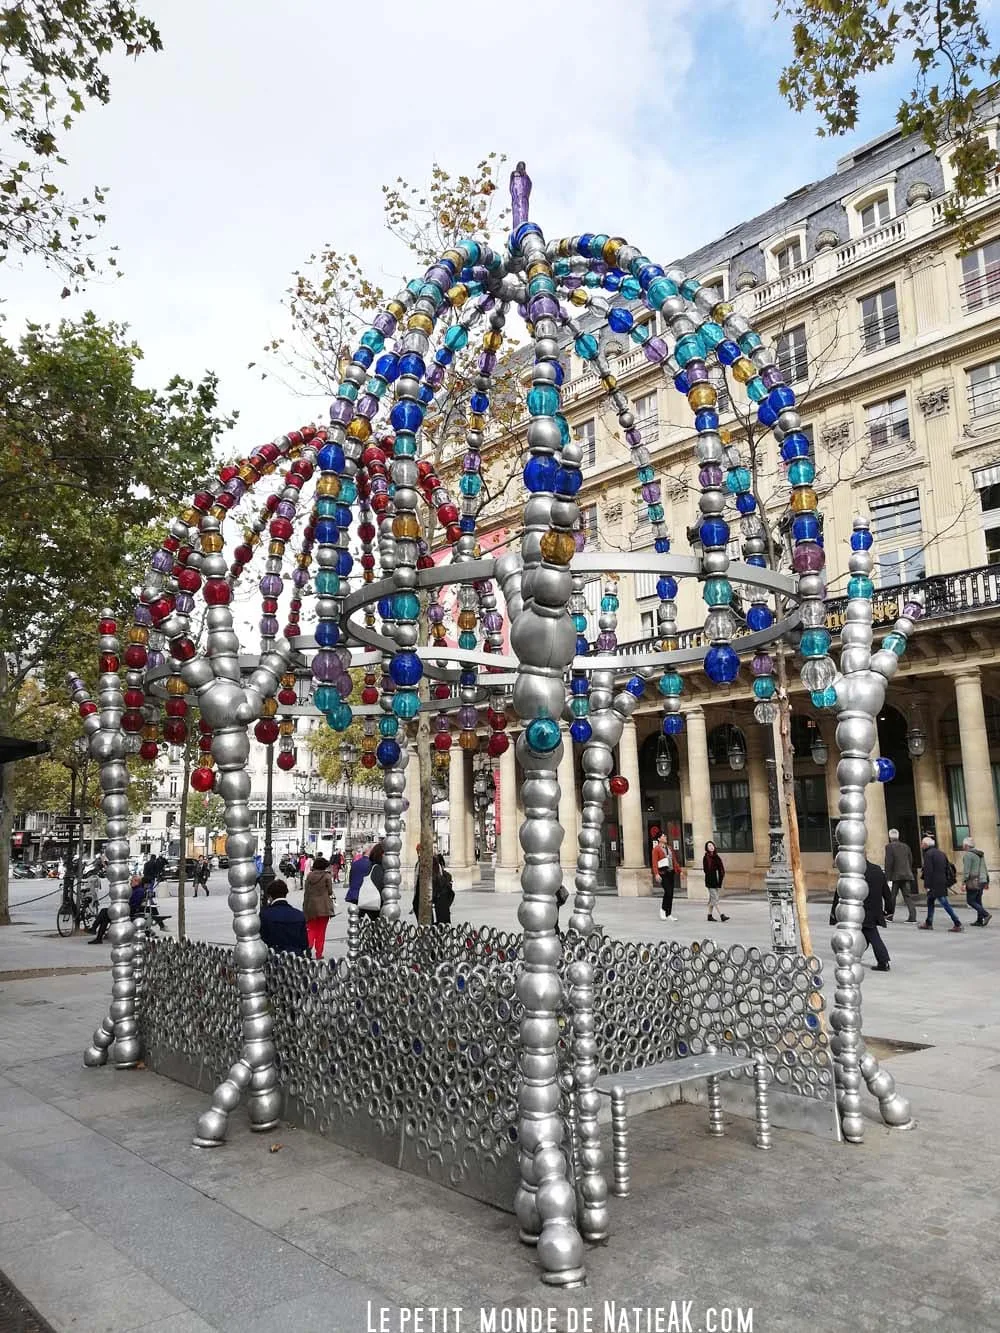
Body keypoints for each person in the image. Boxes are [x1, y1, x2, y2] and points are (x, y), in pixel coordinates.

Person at [919, 835, 964, 931]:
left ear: (926, 845)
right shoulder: (941, 853)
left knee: (944, 903)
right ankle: (928, 922)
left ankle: (957, 922)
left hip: (934, 883)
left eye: (922, 843)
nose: (921, 845)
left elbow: (928, 871)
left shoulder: (928, 854)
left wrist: (927, 885)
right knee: (930, 901)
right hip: (942, 881)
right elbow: (947, 867)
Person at [259, 879, 308, 954]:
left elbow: (263, 940)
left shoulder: (265, 915)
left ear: (270, 897)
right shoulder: (299, 915)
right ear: (285, 894)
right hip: (295, 957)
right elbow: (304, 944)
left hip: (274, 957)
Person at [302, 854, 335, 958]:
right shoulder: (327, 876)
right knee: (321, 931)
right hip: (324, 907)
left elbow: (306, 891)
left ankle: (309, 945)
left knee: (311, 929)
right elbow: (330, 891)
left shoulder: (309, 876)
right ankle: (319, 953)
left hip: (311, 906)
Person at [862, 860, 892, 971]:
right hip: (875, 909)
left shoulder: (855, 871)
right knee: (865, 936)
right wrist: (889, 910)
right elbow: (886, 891)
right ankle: (854, 956)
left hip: (861, 911)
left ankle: (883, 961)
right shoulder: (877, 869)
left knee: (873, 936)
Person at [883, 830, 917, 922]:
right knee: (907, 896)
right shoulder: (906, 846)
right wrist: (907, 870)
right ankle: (912, 917)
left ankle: (890, 916)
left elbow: (889, 862)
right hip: (906, 874)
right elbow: (910, 859)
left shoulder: (889, 847)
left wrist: (887, 877)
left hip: (895, 876)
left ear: (890, 837)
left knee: (892, 896)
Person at [348, 843, 385, 922]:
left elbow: (351, 879)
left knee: (356, 921)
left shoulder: (355, 863)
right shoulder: (372, 865)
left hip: (356, 895)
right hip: (371, 897)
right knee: (376, 920)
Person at [961, 836, 993, 927]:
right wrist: (987, 881)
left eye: (963, 845)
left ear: (966, 845)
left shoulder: (968, 855)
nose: (963, 846)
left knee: (970, 900)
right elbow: (984, 868)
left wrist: (963, 883)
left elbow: (966, 871)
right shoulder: (980, 854)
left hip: (973, 881)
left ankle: (986, 915)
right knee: (978, 900)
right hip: (982, 880)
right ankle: (979, 920)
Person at [703, 841, 729, 923]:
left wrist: (720, 877)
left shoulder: (717, 857)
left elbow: (721, 868)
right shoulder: (706, 857)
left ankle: (709, 915)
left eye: (712, 845)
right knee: (715, 898)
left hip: (716, 880)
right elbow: (706, 870)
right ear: (707, 848)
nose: (711, 847)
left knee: (712, 899)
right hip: (710, 880)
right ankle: (722, 915)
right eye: (709, 846)